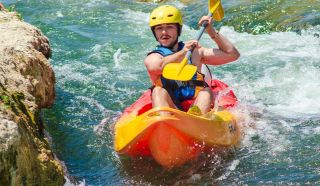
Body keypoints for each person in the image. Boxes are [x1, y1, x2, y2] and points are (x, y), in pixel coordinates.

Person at [144, 5, 240, 115]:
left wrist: (211, 31)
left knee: (206, 91)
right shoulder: (154, 57)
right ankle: (164, 122)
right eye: (159, 28)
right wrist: (183, 53)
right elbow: (156, 67)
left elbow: (232, 54)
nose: (164, 32)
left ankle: (197, 120)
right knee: (158, 91)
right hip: (169, 109)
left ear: (178, 29)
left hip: (196, 107)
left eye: (169, 27)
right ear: (154, 32)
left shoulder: (195, 52)